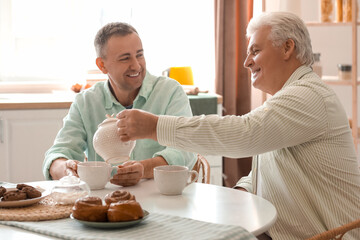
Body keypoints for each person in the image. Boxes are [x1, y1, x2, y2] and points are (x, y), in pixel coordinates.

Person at [115, 12, 360, 239]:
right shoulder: (288, 99)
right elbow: (271, 169)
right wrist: (240, 192)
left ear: (287, 48)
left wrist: (155, 127)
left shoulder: (308, 96)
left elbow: (246, 133)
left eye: (255, 50)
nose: (246, 62)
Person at [43, 22, 196, 187]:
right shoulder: (86, 102)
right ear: (102, 65)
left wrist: (144, 169)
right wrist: (65, 169)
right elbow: (58, 153)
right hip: (105, 204)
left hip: (163, 199)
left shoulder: (170, 92)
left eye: (139, 55)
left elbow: (186, 148)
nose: (136, 65)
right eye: (125, 58)